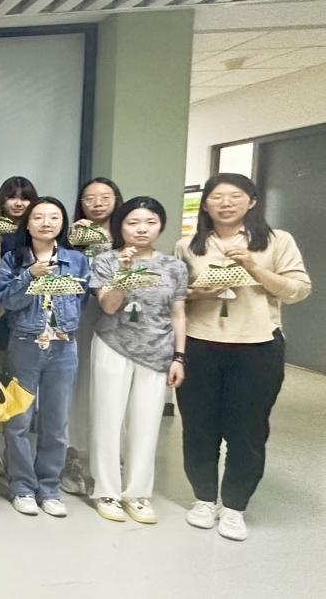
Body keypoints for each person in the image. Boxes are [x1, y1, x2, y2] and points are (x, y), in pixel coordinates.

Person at [174, 173, 310, 542]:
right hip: (200, 344)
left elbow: (298, 289)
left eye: (235, 196)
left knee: (247, 430)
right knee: (198, 427)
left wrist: (254, 267)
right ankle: (204, 499)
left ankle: (234, 506)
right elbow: (176, 296)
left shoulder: (277, 241)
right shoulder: (188, 246)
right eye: (217, 197)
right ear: (205, 205)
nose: (225, 203)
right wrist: (201, 293)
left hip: (257, 346)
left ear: (251, 201)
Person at [88, 196, 188, 524]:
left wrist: (179, 356)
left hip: (157, 351)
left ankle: (138, 493)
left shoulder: (174, 266)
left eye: (150, 222)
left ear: (160, 226)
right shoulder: (106, 260)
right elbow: (109, 306)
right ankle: (106, 490)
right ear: (121, 226)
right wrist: (123, 270)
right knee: (107, 420)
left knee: (147, 424)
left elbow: (178, 313)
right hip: (113, 345)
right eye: (133, 223)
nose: (141, 229)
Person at [0, 196, 89, 518]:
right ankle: (22, 486)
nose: (46, 223)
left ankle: (49, 488)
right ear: (28, 223)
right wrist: (29, 275)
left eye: (53, 217)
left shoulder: (76, 260)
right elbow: (6, 301)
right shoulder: (13, 259)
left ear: (62, 223)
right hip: (25, 344)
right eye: (38, 217)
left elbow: (81, 300)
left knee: (56, 422)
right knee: (18, 421)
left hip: (63, 347)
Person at [62, 177, 125, 496]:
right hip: (80, 317)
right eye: (89, 198)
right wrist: (72, 242)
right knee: (77, 385)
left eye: (104, 197)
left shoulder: (128, 236)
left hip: (119, 321)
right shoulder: (73, 236)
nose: (97, 203)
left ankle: (110, 462)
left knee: (113, 390)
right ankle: (73, 455)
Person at [0, 175, 38, 473]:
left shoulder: (36, 233)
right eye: (12, 197)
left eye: (24, 197)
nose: (18, 203)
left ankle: (14, 448)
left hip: (27, 317)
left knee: (17, 386)